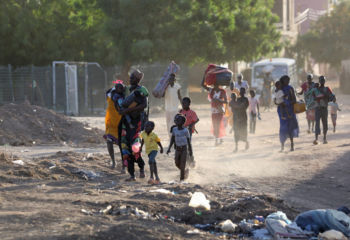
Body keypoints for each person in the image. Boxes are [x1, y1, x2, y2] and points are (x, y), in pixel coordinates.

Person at [119, 69, 149, 181]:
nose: (130, 79)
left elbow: (143, 105)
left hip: (137, 121)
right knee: (125, 146)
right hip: (126, 122)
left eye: (132, 77)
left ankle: (141, 169)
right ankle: (131, 175)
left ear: (137, 79)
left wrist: (127, 111)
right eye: (130, 77)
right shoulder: (127, 89)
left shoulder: (141, 90)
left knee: (136, 147)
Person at [275, 75, 299, 151]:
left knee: (290, 128)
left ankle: (292, 145)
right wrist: (278, 103)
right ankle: (282, 146)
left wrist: (287, 103)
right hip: (282, 111)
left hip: (290, 111)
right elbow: (275, 100)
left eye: (288, 80)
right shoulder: (279, 88)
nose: (287, 81)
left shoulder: (290, 88)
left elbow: (294, 100)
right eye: (286, 80)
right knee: (282, 128)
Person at [166, 114, 193, 181]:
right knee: (177, 163)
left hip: (184, 149)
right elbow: (172, 139)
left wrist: (190, 151)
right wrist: (169, 148)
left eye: (178, 120)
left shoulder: (185, 131)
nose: (177, 121)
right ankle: (184, 171)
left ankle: (182, 179)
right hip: (177, 149)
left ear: (183, 122)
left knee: (183, 164)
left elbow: (188, 141)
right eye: (176, 120)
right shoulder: (174, 129)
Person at [104, 80, 123, 170]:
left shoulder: (123, 97)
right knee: (109, 141)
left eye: (120, 88)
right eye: (117, 87)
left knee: (122, 145)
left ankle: (124, 164)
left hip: (121, 122)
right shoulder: (110, 94)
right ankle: (114, 162)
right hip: (111, 123)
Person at [311, 76, 335, 144]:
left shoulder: (327, 89)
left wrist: (332, 98)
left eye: (323, 80)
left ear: (325, 81)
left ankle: (324, 138)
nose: (322, 81)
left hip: (324, 108)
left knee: (325, 124)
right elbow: (312, 97)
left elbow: (332, 97)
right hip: (317, 108)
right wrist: (314, 88)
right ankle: (316, 139)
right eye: (321, 80)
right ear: (319, 81)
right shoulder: (316, 89)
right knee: (317, 124)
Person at [164, 73, 182, 137]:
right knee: (168, 123)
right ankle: (170, 136)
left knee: (173, 122)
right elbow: (162, 95)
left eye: (172, 79)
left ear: (174, 79)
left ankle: (173, 135)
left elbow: (180, 96)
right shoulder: (166, 86)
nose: (171, 80)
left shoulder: (177, 86)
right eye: (169, 79)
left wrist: (183, 105)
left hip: (175, 108)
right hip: (167, 108)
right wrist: (165, 87)